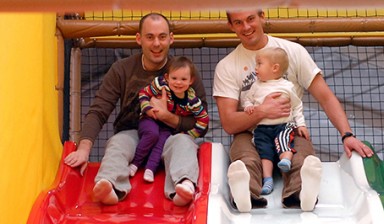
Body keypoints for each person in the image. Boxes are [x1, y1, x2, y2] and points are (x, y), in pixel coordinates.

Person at [213, 9, 374, 213]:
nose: (246, 27)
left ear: (262, 17)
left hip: (288, 128)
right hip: (250, 131)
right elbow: (228, 122)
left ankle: (302, 194)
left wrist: (347, 135)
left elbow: (325, 97)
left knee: (302, 157)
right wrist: (262, 111)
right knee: (246, 159)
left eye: (250, 19)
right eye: (238, 22)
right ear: (231, 26)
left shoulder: (292, 51)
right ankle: (246, 194)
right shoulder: (227, 66)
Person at [64, 13, 208, 207]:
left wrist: (168, 117)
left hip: (169, 139)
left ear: (171, 38)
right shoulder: (122, 69)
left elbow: (202, 121)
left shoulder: (184, 73)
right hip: (134, 135)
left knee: (184, 142)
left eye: (162, 37)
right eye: (150, 37)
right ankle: (109, 184)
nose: (156, 43)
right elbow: (99, 110)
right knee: (117, 142)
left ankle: (183, 185)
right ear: (139, 39)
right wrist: (83, 149)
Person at [129, 56, 209, 183]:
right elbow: (143, 93)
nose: (178, 82)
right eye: (174, 78)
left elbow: (203, 120)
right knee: (152, 134)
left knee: (162, 142)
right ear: (167, 77)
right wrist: (147, 108)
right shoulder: (160, 84)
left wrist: (188, 134)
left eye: (183, 79)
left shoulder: (192, 101)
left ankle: (150, 169)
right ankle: (135, 163)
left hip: (168, 127)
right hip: (150, 119)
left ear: (191, 80)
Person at [242, 47, 310, 195]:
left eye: (259, 64)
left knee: (284, 141)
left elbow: (297, 106)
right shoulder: (256, 85)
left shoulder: (287, 86)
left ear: (274, 68)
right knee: (264, 153)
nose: (256, 68)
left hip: (283, 125)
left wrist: (301, 124)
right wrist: (248, 107)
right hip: (262, 128)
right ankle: (268, 179)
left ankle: (285, 160)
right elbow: (248, 100)